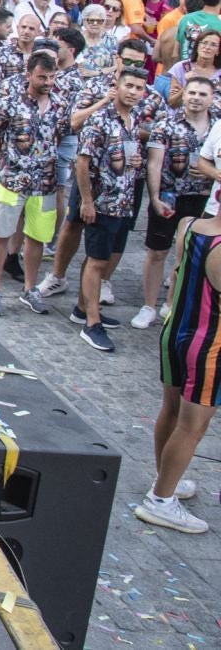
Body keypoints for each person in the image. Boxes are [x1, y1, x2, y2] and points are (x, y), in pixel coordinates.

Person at [134, 183, 221, 533]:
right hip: (209, 346)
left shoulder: (190, 226)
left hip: (176, 333)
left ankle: (165, 479)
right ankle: (160, 500)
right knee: (192, 426)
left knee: (170, 410)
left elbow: (178, 273)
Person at [73, 67, 155, 351]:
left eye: (139, 88)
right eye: (129, 86)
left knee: (102, 258)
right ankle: (91, 323)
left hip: (123, 201)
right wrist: (87, 201)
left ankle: (83, 308)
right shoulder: (100, 119)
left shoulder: (132, 120)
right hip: (102, 202)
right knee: (97, 260)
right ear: (116, 87)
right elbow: (82, 162)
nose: (133, 92)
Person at [0, 51, 66, 316]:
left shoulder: (60, 104)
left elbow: (60, 136)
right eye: (42, 77)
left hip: (45, 182)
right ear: (29, 74)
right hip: (11, 179)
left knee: (37, 237)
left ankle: (30, 289)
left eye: (52, 77)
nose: (48, 82)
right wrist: (9, 162)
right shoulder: (9, 103)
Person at [140, 74, 213, 330]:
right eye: (192, 92)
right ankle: (149, 306)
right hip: (169, 195)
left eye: (202, 94)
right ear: (183, 95)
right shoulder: (166, 124)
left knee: (188, 254)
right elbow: (154, 164)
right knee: (157, 251)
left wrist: (208, 171)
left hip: (203, 199)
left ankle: (173, 305)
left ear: (212, 98)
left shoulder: (217, 126)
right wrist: (155, 197)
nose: (196, 98)